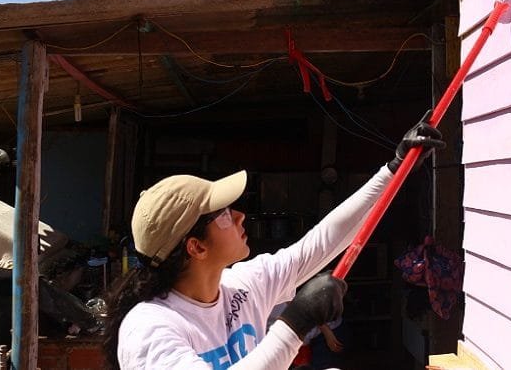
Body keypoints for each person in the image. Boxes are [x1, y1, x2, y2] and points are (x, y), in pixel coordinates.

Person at [104, 111, 444, 369]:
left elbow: (321, 243)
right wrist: (296, 321)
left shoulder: (242, 286)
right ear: (196, 246)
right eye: (223, 214)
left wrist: (394, 170)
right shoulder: (150, 328)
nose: (240, 216)